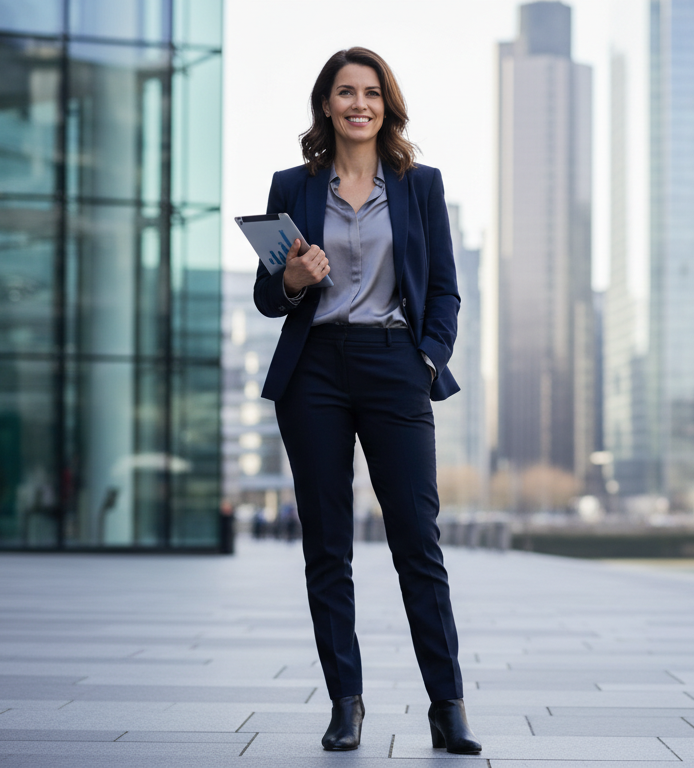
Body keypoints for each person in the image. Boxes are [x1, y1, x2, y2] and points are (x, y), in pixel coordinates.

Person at [251, 47, 480, 755]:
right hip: (313, 369)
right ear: (326, 104)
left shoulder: (420, 185)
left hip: (393, 363)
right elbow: (268, 298)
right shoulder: (293, 185)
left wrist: (427, 357)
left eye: (372, 93)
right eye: (346, 92)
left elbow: (444, 288)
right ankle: (345, 704)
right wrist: (292, 276)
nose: (359, 104)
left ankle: (448, 706)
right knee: (327, 546)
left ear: (387, 104)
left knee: (418, 540)